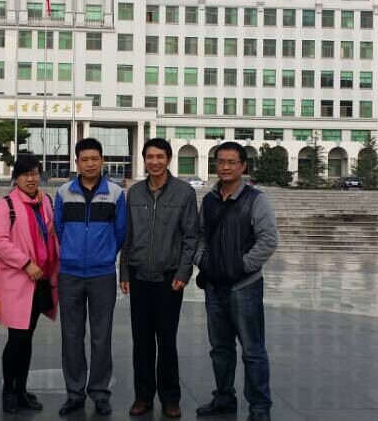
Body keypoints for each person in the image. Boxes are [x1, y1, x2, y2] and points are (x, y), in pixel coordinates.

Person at [195, 142, 279, 421]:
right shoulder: (209, 200)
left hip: (245, 287)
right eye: (221, 162)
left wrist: (241, 267)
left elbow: (268, 241)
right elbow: (200, 236)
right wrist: (203, 261)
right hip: (214, 286)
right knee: (220, 349)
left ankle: (260, 408)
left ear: (243, 166)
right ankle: (223, 398)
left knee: (253, 351)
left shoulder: (256, 200)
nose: (226, 167)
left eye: (232, 162)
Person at [119, 138, 198, 418]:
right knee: (141, 341)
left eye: (160, 156)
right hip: (139, 275)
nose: (154, 162)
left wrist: (183, 272)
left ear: (168, 159)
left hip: (169, 277)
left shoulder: (184, 193)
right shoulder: (134, 193)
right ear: (144, 159)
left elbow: (191, 237)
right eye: (149, 157)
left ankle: (170, 397)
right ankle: (143, 396)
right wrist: (124, 271)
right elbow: (127, 236)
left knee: (166, 340)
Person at [53, 138, 128, 417]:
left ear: (102, 161)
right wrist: (72, 253)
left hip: (102, 274)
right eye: (84, 159)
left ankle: (99, 392)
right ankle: (74, 393)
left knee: (101, 336)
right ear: (77, 162)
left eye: (95, 158)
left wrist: (104, 254)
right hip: (70, 273)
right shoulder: (63, 192)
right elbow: (59, 229)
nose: (90, 164)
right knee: (71, 335)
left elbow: (120, 232)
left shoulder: (115, 193)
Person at [0, 155, 59, 414]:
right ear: (16, 178)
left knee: (27, 337)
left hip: (41, 279)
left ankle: (21, 389)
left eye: (34, 173)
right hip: (18, 281)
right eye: (25, 174)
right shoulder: (7, 204)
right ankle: (9, 391)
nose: (31, 179)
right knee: (17, 338)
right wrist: (26, 263)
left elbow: (51, 233)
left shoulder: (45, 201)